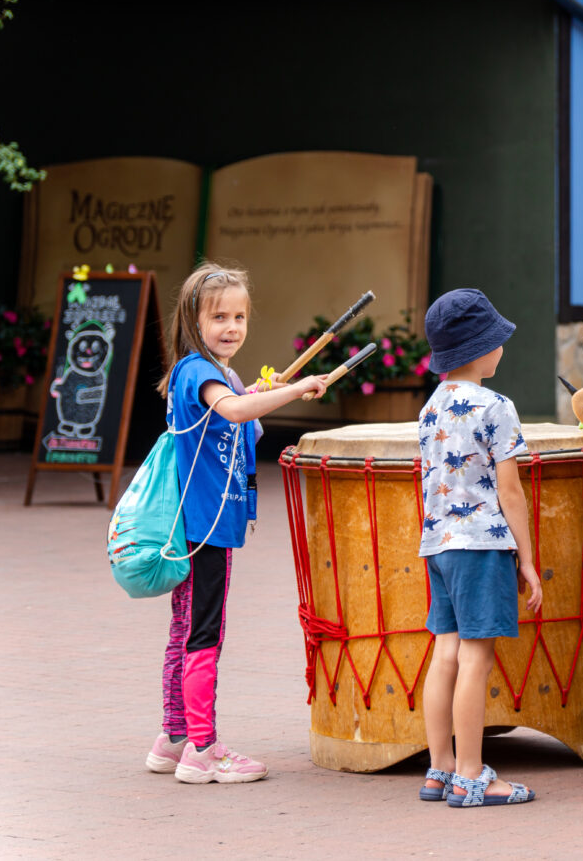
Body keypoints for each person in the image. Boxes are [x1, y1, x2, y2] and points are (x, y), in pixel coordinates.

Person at [145, 263, 329, 784]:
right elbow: (231, 412)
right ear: (192, 320)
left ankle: (174, 736)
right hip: (201, 525)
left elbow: (238, 412)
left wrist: (259, 393)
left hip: (203, 523)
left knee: (186, 629)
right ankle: (203, 750)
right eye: (219, 316)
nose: (232, 326)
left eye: (240, 316)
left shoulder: (217, 374)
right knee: (204, 634)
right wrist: (294, 392)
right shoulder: (199, 373)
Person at [416, 288, 543, 807]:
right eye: (497, 340)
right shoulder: (497, 406)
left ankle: (440, 768)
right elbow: (510, 491)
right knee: (476, 659)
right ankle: (472, 776)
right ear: (479, 348)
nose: (503, 348)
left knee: (445, 651)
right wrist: (528, 561)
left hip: (438, 545)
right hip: (482, 545)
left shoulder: (429, 408)